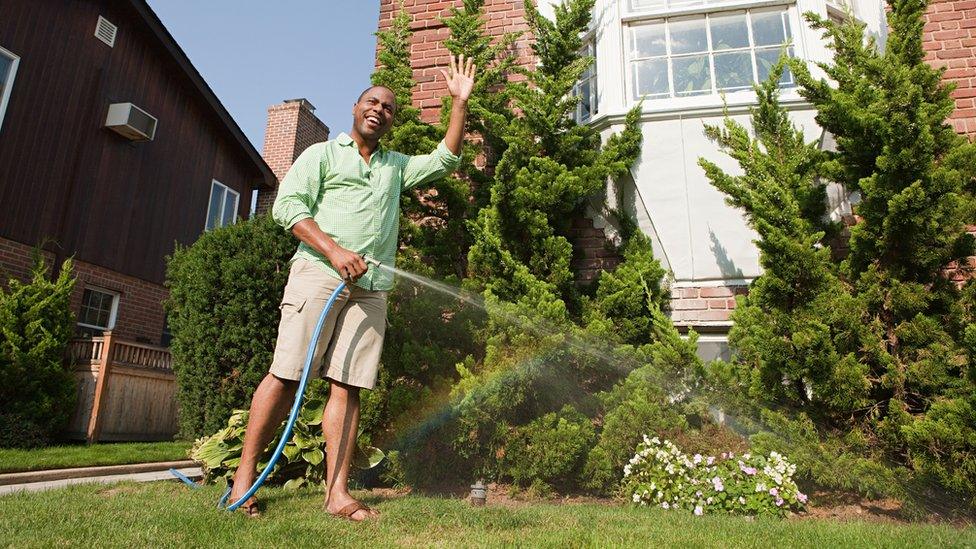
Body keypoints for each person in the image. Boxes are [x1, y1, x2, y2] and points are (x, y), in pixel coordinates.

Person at [228, 54, 476, 520]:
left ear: (390, 121)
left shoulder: (395, 167)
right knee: (286, 376)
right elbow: (289, 209)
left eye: (388, 107)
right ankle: (243, 482)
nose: (379, 109)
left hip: (371, 289)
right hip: (318, 275)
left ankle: (337, 494)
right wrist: (335, 251)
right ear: (356, 108)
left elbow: (445, 159)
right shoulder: (322, 154)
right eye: (372, 101)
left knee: (348, 386)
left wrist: (459, 104)